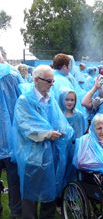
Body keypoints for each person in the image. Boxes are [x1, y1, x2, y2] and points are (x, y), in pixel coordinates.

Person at [12, 65, 74, 219]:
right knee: (30, 192)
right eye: (49, 80)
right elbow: (26, 127)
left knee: (51, 189)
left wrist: (63, 131)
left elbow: (60, 120)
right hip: (33, 155)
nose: (52, 83)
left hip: (52, 153)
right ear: (36, 80)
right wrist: (48, 134)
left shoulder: (50, 98)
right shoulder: (24, 101)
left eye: (53, 80)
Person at [0, 63, 22, 218]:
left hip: (9, 136)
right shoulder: (13, 76)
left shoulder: (12, 75)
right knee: (14, 177)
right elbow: (24, 100)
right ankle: (16, 210)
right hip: (12, 137)